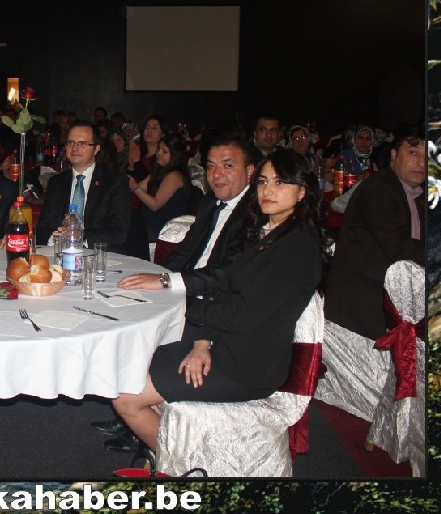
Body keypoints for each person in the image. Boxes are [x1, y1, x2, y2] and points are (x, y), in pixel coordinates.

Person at [110, 149, 324, 454]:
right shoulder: (269, 232)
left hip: (247, 365)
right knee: (133, 357)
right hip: (225, 341)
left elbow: (241, 315)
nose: (268, 190)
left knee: (125, 398)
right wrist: (202, 342)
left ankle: (176, 465)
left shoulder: (297, 248)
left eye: (280, 183)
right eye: (263, 182)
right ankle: (164, 445)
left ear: (302, 192)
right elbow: (225, 287)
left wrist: (182, 307)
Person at [93, 134, 256, 451]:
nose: (217, 174)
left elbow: (227, 274)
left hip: (211, 307)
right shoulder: (211, 202)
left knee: (140, 329)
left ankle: (149, 430)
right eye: (211, 166)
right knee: (116, 311)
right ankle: (137, 420)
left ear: (250, 171)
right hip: (189, 292)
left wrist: (168, 283)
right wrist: (159, 275)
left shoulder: (254, 214)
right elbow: (186, 250)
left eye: (228, 166)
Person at [323, 125, 426, 340]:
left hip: (388, 300)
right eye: (413, 153)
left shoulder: (420, 194)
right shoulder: (378, 189)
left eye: (428, 155)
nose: (421, 162)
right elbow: (396, 245)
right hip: (361, 305)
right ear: (394, 155)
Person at [34, 120, 130, 252]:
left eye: (82, 143)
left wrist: (79, 236)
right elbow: (44, 226)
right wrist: (54, 238)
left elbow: (119, 232)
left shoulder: (114, 182)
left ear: (96, 149)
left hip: (98, 254)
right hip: (60, 252)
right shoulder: (56, 182)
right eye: (70, 142)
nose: (74, 148)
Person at [129, 133, 193, 242]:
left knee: (123, 231)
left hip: (161, 227)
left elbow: (155, 205)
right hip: (149, 221)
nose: (158, 153)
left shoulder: (175, 176)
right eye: (158, 149)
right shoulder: (160, 171)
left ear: (175, 155)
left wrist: (135, 188)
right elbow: (140, 187)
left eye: (164, 151)